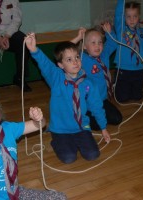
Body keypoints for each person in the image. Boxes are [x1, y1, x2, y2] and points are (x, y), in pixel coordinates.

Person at [0, 68, 67, 199]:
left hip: (14, 193)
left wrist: (38, 119)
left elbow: (40, 125)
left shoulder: (8, 128)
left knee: (59, 197)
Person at [25, 33, 111, 164]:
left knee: (93, 154)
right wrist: (34, 50)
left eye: (77, 57)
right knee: (69, 158)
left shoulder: (88, 83)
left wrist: (103, 127)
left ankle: (76, 140)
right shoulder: (56, 78)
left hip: (82, 127)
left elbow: (96, 106)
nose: (75, 62)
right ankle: (57, 141)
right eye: (69, 60)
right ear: (60, 65)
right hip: (61, 129)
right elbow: (45, 64)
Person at [71, 22, 122, 130]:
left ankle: (98, 115)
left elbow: (113, 43)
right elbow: (66, 50)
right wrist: (78, 37)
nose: (97, 45)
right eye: (93, 42)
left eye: (100, 42)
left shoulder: (104, 54)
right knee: (98, 125)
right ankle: (81, 115)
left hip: (103, 99)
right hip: (89, 101)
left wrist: (109, 32)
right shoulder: (81, 58)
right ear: (84, 45)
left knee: (117, 119)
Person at [113, 0, 143, 102]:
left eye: (135, 16)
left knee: (137, 97)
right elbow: (118, 14)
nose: (132, 19)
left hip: (139, 70)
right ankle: (116, 86)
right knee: (122, 98)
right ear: (124, 17)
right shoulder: (121, 30)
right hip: (123, 70)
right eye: (128, 16)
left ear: (139, 16)